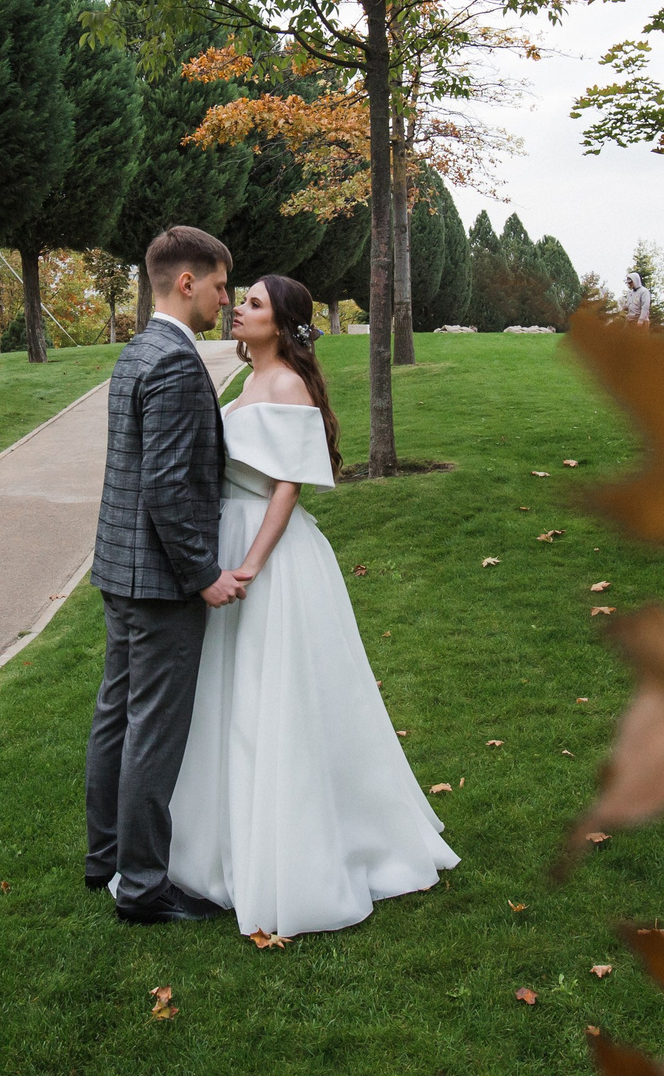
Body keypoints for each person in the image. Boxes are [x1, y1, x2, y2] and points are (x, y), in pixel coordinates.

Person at [166, 272, 457, 937]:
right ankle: (223, 840)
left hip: (269, 555)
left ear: (283, 322)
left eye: (254, 303)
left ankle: (299, 847)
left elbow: (286, 489)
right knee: (231, 697)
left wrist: (249, 564)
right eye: (241, 299)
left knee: (276, 697)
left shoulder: (288, 385)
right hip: (231, 538)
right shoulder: (245, 382)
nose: (238, 307)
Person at [85, 225, 240, 925]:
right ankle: (143, 885)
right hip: (158, 582)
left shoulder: (137, 349)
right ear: (187, 282)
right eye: (218, 285)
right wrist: (202, 573)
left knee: (116, 716)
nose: (224, 298)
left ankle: (105, 857)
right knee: (151, 729)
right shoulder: (177, 363)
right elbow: (169, 486)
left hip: (121, 568)